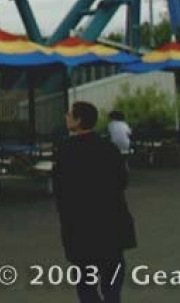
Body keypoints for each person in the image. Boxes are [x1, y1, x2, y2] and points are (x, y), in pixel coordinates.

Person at [52, 101, 136, 303]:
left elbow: (60, 188)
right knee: (112, 282)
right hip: (111, 223)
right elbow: (121, 181)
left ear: (78, 120)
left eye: (70, 114)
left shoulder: (65, 151)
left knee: (85, 284)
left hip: (80, 226)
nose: (66, 117)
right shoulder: (109, 148)